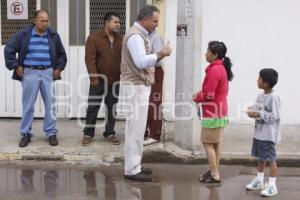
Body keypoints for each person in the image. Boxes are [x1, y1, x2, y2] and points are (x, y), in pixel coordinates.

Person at [120, 5, 172, 182]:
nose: (156, 25)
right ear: (145, 19)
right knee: (136, 129)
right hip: (135, 87)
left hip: (138, 86)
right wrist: (161, 53)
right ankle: (132, 170)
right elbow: (141, 62)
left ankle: (135, 166)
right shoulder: (135, 36)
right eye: (155, 21)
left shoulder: (140, 34)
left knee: (137, 128)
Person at [4, 9, 67, 147]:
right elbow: (8, 49)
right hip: (29, 73)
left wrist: (58, 68)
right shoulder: (24, 34)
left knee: (50, 105)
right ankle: (26, 133)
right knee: (28, 106)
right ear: (34, 21)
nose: (45, 23)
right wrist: (16, 66)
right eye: (42, 20)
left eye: (47, 21)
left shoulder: (53, 35)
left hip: (47, 73)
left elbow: (62, 54)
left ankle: (51, 133)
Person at [193, 41, 233, 184]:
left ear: (215, 55)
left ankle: (215, 174)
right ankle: (213, 170)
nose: (206, 53)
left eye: (208, 51)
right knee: (216, 143)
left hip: (212, 112)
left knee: (207, 143)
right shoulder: (221, 68)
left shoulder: (215, 70)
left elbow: (208, 95)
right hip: (220, 110)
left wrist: (196, 97)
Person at [82, 12, 123, 146]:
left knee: (112, 108)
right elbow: (90, 59)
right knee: (93, 107)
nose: (118, 24)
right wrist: (93, 77)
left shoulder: (120, 39)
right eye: (115, 22)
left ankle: (110, 133)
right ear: (107, 22)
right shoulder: (94, 38)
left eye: (119, 22)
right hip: (98, 80)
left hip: (115, 80)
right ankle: (88, 133)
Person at [245, 68, 280, 197]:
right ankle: (259, 180)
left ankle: (272, 185)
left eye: (259, 78)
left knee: (271, 159)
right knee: (260, 158)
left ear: (265, 83)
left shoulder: (274, 98)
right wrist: (251, 112)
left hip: (268, 135)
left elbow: (275, 116)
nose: (257, 80)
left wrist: (259, 114)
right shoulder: (260, 96)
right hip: (259, 134)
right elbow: (258, 110)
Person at [143, 30, 165, 146]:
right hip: (145, 71)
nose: (155, 24)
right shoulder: (142, 35)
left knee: (154, 103)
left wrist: (144, 58)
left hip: (154, 71)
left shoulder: (156, 37)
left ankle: (155, 134)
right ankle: (144, 132)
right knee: (144, 103)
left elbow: (158, 59)